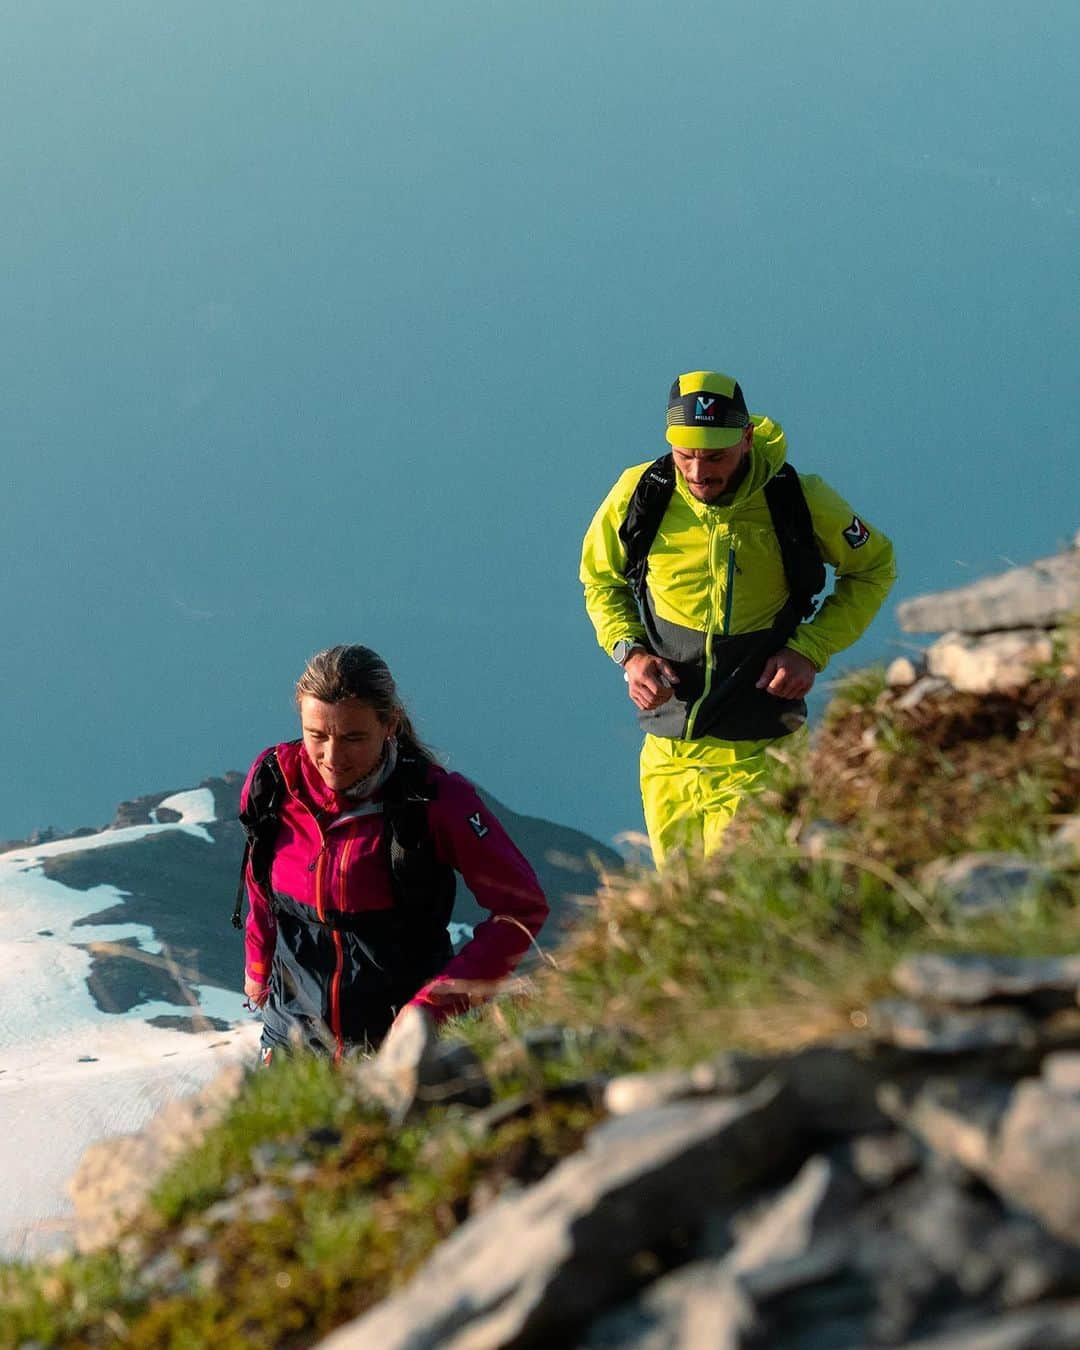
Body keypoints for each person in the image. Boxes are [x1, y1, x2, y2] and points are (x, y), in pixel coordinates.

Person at [581, 370, 896, 866]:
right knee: (683, 909)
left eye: (716, 456)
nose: (699, 472)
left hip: (762, 749)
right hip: (668, 752)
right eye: (686, 455)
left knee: (740, 892)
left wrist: (810, 649)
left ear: (747, 439)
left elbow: (874, 566)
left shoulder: (796, 498)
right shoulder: (641, 492)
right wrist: (630, 653)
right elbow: (601, 580)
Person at [240, 644, 549, 1062]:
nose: (332, 757)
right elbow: (259, 876)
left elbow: (522, 908)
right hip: (289, 1039)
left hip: (396, 1045)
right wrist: (257, 965)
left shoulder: (435, 800)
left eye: (353, 737)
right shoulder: (273, 781)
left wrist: (434, 1006)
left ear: (389, 726)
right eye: (317, 735)